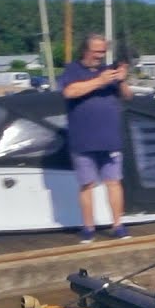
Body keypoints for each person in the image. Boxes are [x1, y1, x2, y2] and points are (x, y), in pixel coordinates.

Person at [60, 33, 132, 243]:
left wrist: (122, 80)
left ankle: (118, 225)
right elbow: (70, 92)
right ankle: (88, 228)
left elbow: (127, 96)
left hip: (110, 139)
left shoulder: (109, 71)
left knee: (114, 182)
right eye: (97, 51)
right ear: (86, 50)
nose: (101, 55)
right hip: (83, 139)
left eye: (103, 51)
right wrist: (99, 81)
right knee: (87, 184)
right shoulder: (73, 70)